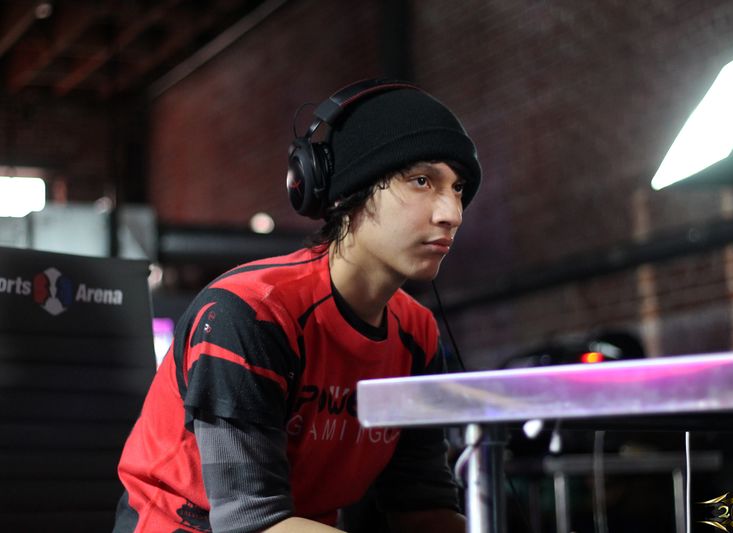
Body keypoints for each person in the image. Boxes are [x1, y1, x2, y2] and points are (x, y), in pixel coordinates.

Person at [113, 79, 482, 533]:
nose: (451, 214)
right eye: (421, 181)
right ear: (348, 190)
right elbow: (251, 523)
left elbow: (421, 505)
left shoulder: (417, 333)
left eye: (458, 188)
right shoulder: (250, 313)